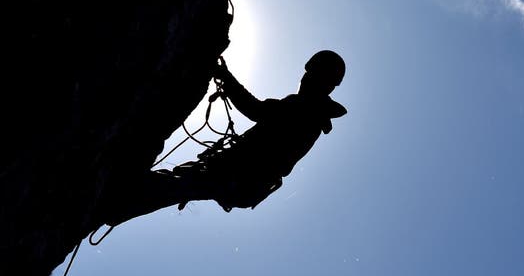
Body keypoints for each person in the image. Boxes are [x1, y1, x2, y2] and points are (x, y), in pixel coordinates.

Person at [103, 50, 347, 225]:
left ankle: (111, 205)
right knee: (178, 184)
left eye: (310, 74)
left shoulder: (305, 110)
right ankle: (115, 206)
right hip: (240, 178)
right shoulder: (309, 112)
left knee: (176, 185)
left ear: (322, 80)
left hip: (241, 177)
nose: (303, 78)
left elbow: (256, 110)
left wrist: (226, 78)